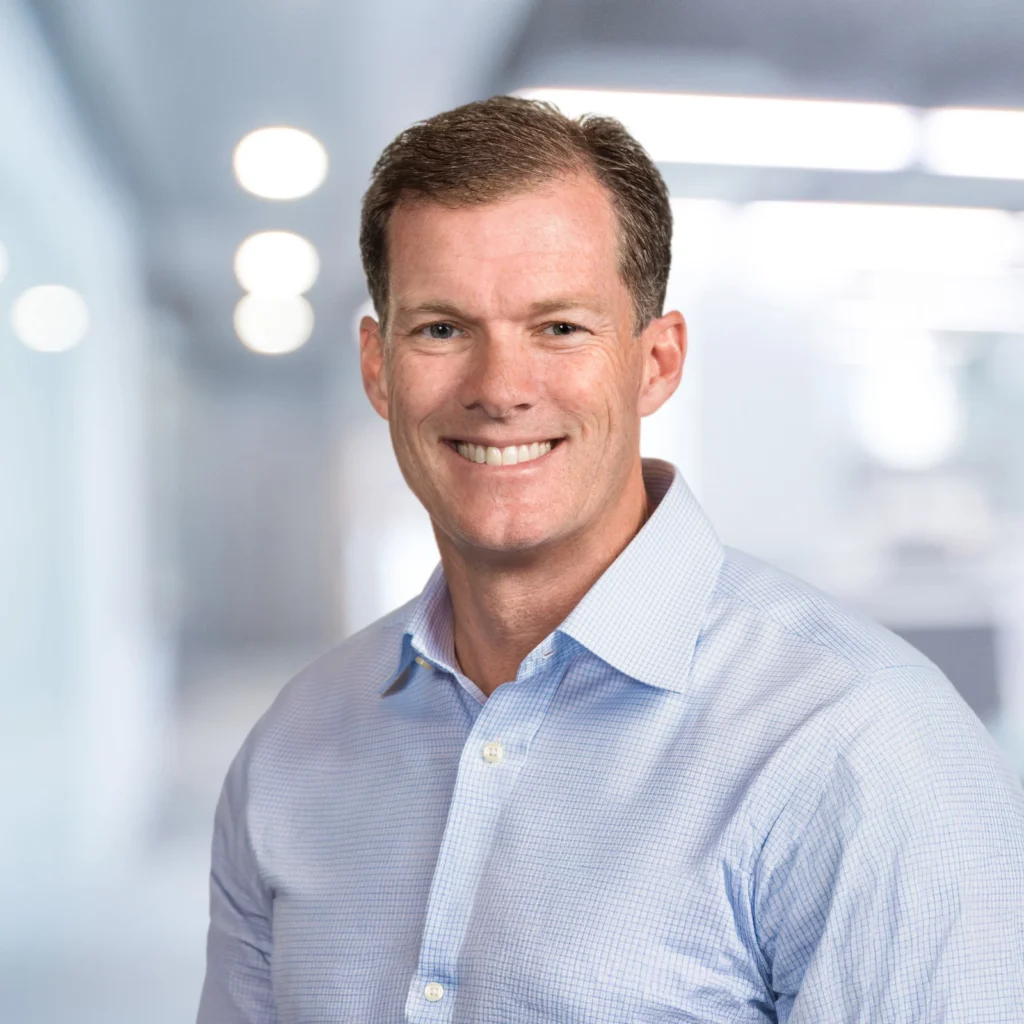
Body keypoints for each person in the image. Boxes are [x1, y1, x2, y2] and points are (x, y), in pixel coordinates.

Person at [197, 96, 1024, 1024]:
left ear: (656, 362)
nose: (500, 389)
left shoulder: (859, 749)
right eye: (441, 329)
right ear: (378, 366)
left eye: (559, 328)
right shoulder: (293, 747)